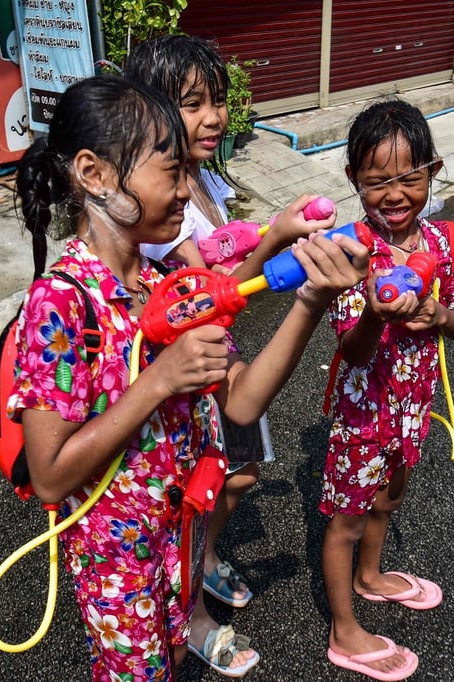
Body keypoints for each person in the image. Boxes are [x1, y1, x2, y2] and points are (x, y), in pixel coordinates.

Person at [7, 74, 368, 682]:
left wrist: (310, 300)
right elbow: (49, 477)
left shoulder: (157, 285)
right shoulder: (61, 305)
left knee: (174, 657)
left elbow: (243, 403)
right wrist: (157, 383)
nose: (184, 193)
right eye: (170, 173)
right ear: (94, 176)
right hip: (118, 565)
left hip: (180, 541)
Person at [123, 34, 334, 677]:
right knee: (194, 489)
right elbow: (208, 296)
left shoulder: (204, 180)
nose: (213, 117)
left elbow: (224, 274)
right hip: (188, 365)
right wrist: (275, 241)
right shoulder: (158, 203)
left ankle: (203, 560)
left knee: (236, 475)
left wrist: (278, 246)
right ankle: (193, 613)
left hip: (222, 353)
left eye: (217, 100)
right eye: (193, 103)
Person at [319, 98, 454, 681]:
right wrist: (377, 318)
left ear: (432, 170)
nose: (395, 193)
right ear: (353, 180)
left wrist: (435, 314)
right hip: (363, 414)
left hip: (414, 409)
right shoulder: (349, 251)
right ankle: (343, 628)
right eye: (377, 180)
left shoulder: (448, 242)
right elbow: (351, 350)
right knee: (346, 519)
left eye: (409, 177)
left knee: (390, 496)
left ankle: (371, 576)